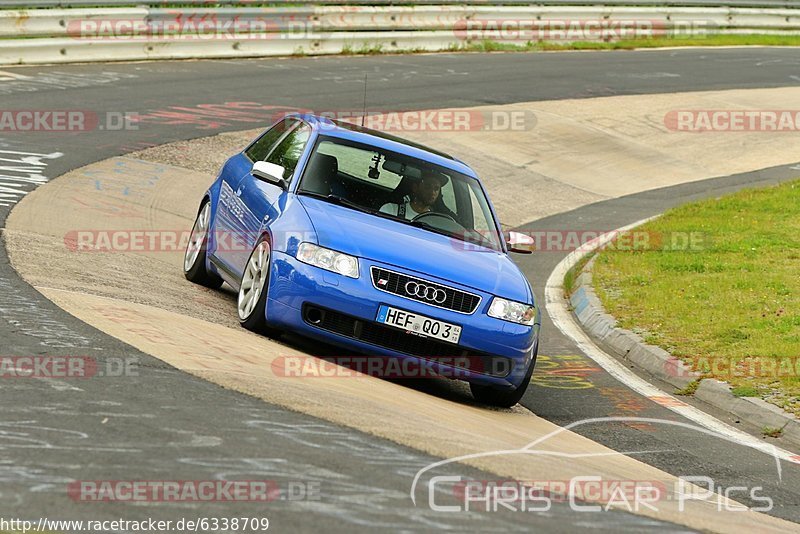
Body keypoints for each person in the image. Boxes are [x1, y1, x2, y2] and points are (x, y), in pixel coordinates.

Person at [380, 170, 448, 220]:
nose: (432, 192)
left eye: (436, 189)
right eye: (427, 187)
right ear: (415, 188)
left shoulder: (436, 221)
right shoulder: (390, 210)